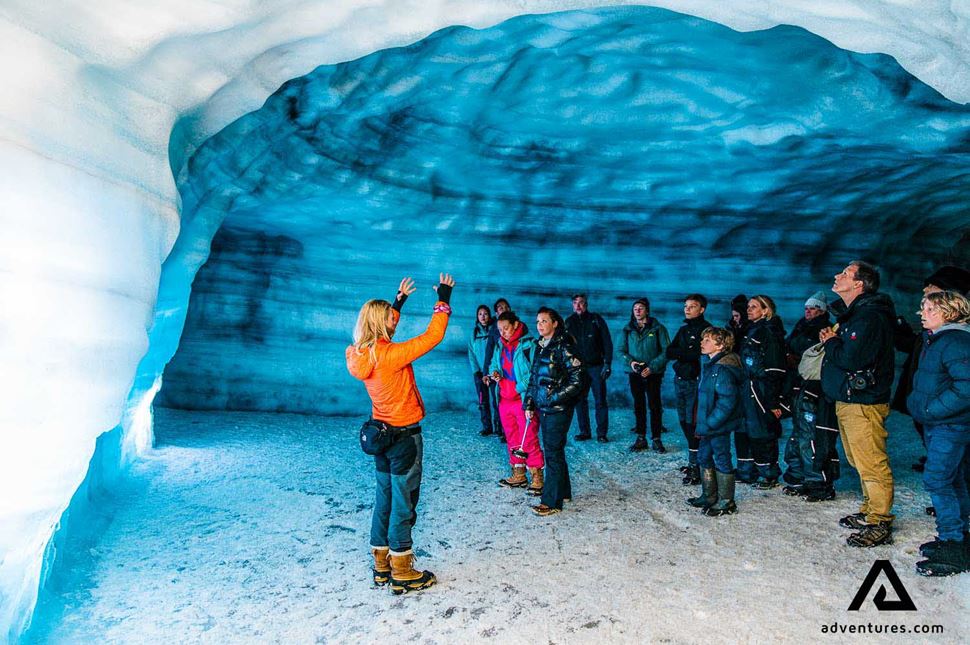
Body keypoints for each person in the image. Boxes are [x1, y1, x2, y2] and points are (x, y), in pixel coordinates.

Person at [346, 274, 455, 594]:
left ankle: (381, 564)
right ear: (382, 324)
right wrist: (444, 299)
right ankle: (403, 569)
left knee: (385, 499)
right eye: (390, 318)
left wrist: (399, 301)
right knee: (404, 502)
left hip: (380, 433)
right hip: (404, 436)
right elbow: (433, 335)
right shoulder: (391, 356)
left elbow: (387, 324)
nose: (395, 322)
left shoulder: (362, 354)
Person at [820, 261, 897, 548]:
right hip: (850, 400)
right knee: (859, 459)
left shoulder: (869, 317)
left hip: (862, 402)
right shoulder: (858, 315)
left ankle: (880, 520)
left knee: (871, 461)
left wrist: (831, 341)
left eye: (845, 274)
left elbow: (852, 358)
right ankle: (869, 509)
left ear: (859, 284)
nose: (837, 276)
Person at [907, 291, 970, 576]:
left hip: (950, 424)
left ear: (949, 312)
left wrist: (932, 410)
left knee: (938, 479)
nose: (923, 312)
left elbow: (966, 387)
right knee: (952, 477)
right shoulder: (938, 340)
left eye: (930, 308)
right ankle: (958, 536)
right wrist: (918, 405)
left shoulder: (956, 342)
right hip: (939, 422)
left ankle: (953, 543)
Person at [892, 266, 970, 474]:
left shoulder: (956, 336)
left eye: (932, 289)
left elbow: (965, 384)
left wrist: (933, 408)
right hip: (928, 397)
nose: (926, 290)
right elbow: (913, 345)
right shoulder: (934, 330)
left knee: (949, 468)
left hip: (944, 409)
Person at [525, 307, 589, 516]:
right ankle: (563, 492)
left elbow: (578, 379)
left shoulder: (564, 346)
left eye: (544, 321)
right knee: (555, 450)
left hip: (558, 408)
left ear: (555, 323)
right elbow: (534, 378)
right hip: (543, 407)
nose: (540, 325)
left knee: (552, 452)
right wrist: (529, 403)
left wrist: (553, 397)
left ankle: (551, 501)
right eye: (538, 321)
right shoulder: (541, 346)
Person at [781, 291, 840, 501]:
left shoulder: (825, 329)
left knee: (811, 437)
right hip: (800, 386)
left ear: (822, 310)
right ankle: (801, 477)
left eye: (813, 308)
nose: (808, 311)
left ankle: (818, 482)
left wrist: (793, 357)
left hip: (815, 388)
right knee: (799, 435)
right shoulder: (801, 327)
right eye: (807, 308)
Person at [687, 326, 744, 516]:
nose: (702, 343)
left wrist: (711, 423)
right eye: (703, 339)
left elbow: (727, 402)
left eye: (707, 340)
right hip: (708, 425)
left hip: (717, 426)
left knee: (722, 458)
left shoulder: (723, 369)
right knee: (703, 457)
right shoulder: (710, 365)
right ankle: (709, 495)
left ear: (720, 345)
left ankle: (727, 501)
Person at [489, 310, 544, 495]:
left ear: (515, 325)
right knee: (512, 437)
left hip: (522, 398)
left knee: (528, 438)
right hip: (504, 397)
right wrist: (495, 372)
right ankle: (518, 473)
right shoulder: (500, 345)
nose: (503, 332)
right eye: (500, 329)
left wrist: (525, 391)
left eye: (506, 328)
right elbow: (494, 364)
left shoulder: (529, 345)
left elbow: (536, 372)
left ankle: (537, 475)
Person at [738, 295, 787, 489]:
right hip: (747, 387)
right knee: (746, 430)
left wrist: (773, 400)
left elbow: (776, 368)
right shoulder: (752, 330)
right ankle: (747, 470)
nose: (749, 310)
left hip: (761, 388)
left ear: (766, 311)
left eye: (754, 307)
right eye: (748, 307)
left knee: (762, 430)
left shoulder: (770, 332)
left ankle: (768, 473)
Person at [665, 294, 711, 483]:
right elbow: (669, 351)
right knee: (684, 421)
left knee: (695, 424)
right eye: (686, 306)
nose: (687, 309)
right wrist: (686, 354)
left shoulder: (706, 330)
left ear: (702, 309)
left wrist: (684, 354)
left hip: (696, 382)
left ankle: (698, 465)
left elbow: (699, 354)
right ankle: (695, 461)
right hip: (680, 380)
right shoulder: (684, 330)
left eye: (692, 306)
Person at [619, 298, 671, 453]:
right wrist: (631, 363)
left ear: (647, 310)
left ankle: (656, 439)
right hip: (635, 372)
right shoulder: (627, 329)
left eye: (641, 308)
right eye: (635, 308)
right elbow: (620, 350)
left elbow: (666, 351)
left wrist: (652, 367)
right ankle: (641, 437)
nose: (638, 311)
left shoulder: (658, 328)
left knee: (655, 405)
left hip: (653, 373)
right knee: (639, 405)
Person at [565, 293, 613, 442]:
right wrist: (569, 363)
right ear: (572, 305)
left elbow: (607, 342)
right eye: (575, 303)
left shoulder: (596, 320)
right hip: (578, 369)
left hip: (596, 367)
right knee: (580, 400)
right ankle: (585, 431)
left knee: (600, 400)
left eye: (581, 302)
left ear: (587, 304)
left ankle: (602, 434)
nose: (578, 305)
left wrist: (607, 363)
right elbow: (565, 346)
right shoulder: (569, 322)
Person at [481, 298, 512, 438]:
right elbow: (489, 351)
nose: (503, 309)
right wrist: (486, 372)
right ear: (496, 312)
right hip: (496, 370)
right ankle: (501, 429)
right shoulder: (494, 329)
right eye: (500, 307)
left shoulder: (519, 326)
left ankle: (511, 430)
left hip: (512, 372)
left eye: (506, 307)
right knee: (497, 401)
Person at [468, 304, 495, 436]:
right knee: (483, 401)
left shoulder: (495, 330)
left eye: (485, 314)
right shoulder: (474, 333)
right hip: (480, 372)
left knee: (497, 400)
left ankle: (500, 428)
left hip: (494, 371)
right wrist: (476, 371)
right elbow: (471, 353)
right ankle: (487, 427)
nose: (483, 317)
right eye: (480, 314)